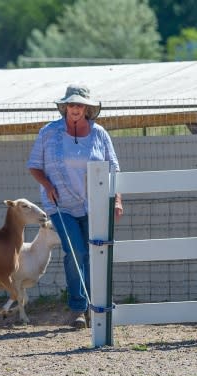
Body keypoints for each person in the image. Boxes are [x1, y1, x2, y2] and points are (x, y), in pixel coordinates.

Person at [27, 84, 123, 329]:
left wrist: (117, 200)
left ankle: (97, 305)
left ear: (87, 108)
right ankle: (78, 307)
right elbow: (35, 166)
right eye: (71, 104)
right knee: (77, 251)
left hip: (95, 205)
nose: (75, 108)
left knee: (95, 252)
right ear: (65, 107)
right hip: (61, 204)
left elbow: (113, 168)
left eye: (79, 104)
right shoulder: (48, 133)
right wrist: (47, 184)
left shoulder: (99, 133)